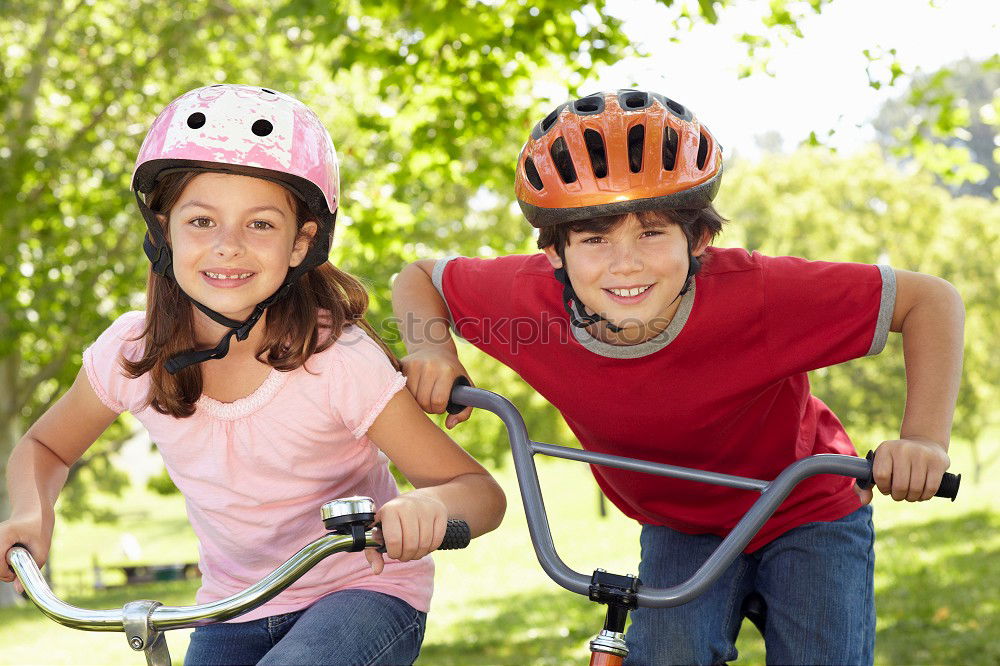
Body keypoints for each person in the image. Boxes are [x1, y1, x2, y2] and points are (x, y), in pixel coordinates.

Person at [391, 89, 963, 665]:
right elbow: (419, 278)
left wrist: (922, 439)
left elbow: (930, 302)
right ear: (555, 252)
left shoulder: (759, 295)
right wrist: (432, 348)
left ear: (698, 239)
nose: (625, 263)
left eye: (652, 233)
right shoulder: (524, 301)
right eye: (594, 238)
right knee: (666, 653)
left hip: (804, 506)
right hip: (680, 524)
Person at [0, 84, 505, 666]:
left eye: (260, 225)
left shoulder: (336, 359)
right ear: (164, 233)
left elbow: (481, 495)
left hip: (361, 592)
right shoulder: (131, 353)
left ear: (301, 242)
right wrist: (31, 514)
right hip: (233, 607)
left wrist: (431, 510)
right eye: (202, 221)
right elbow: (45, 446)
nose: (229, 247)